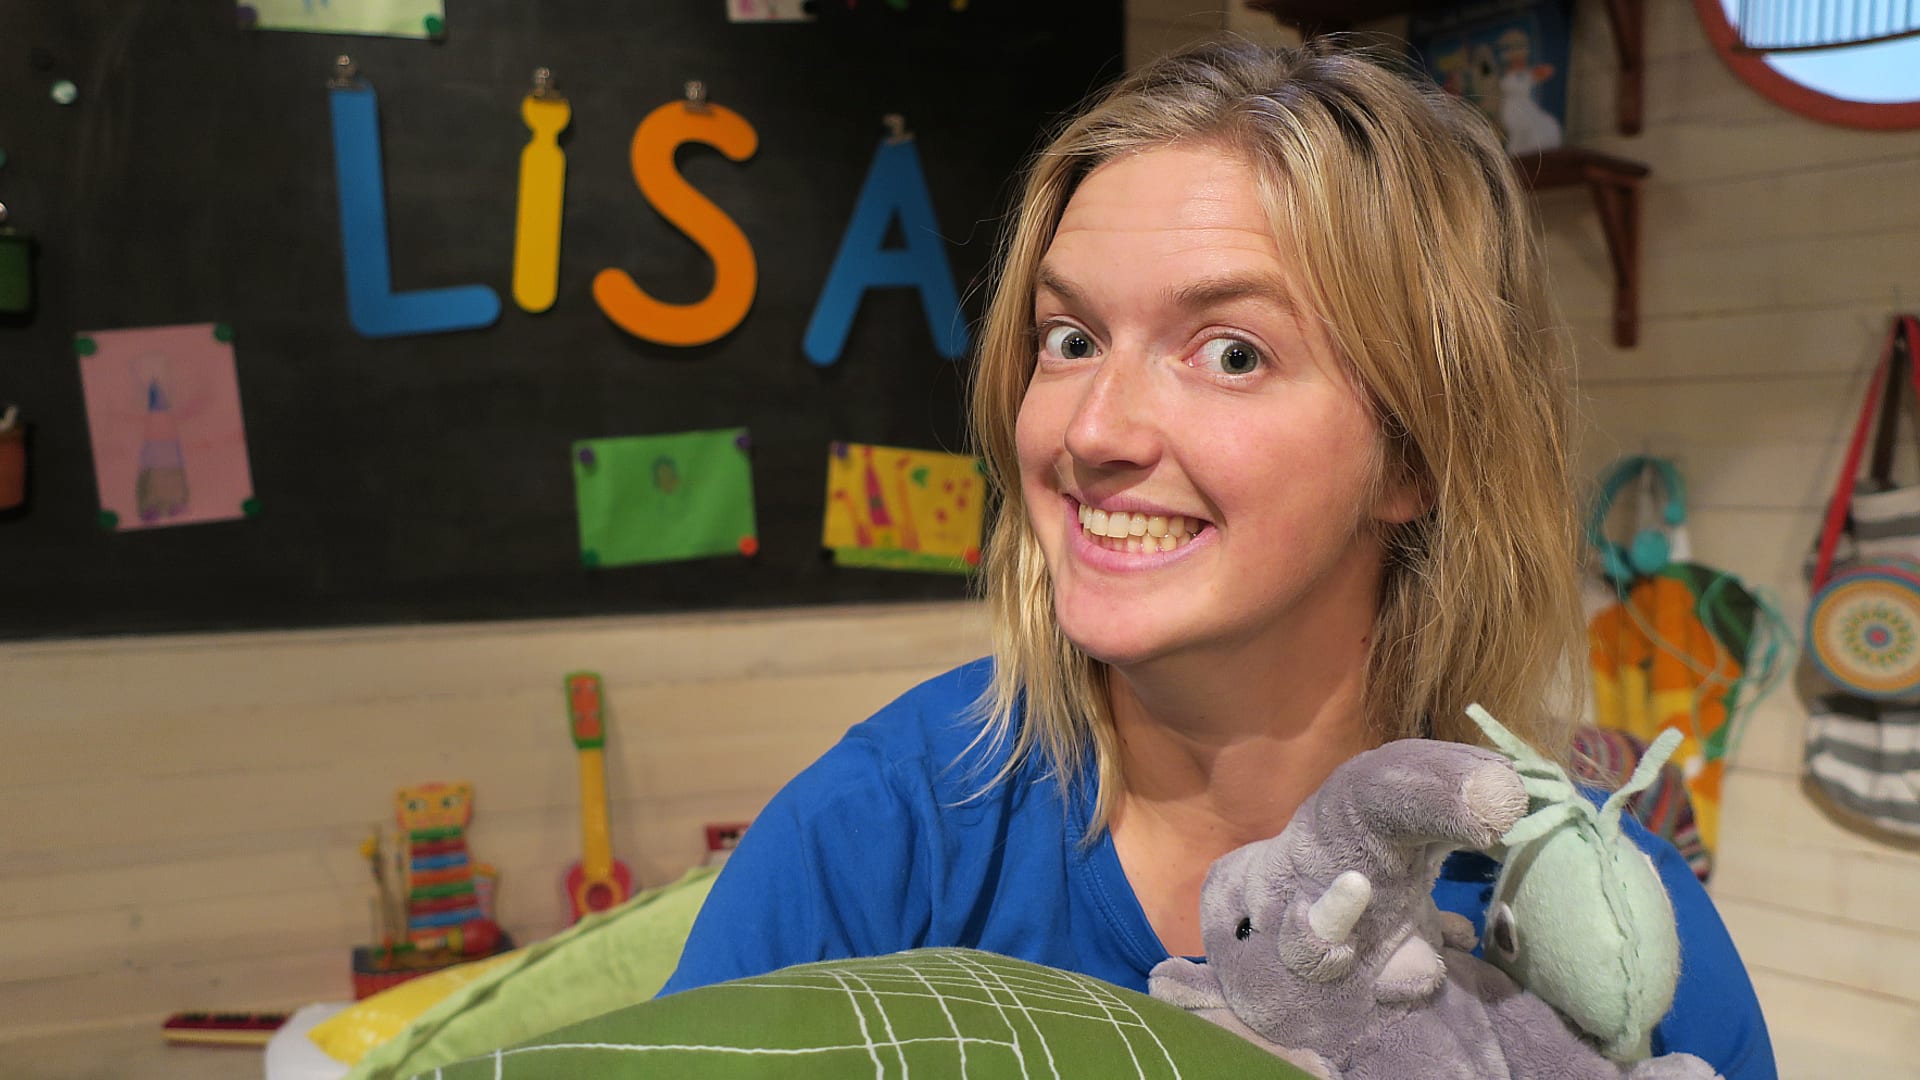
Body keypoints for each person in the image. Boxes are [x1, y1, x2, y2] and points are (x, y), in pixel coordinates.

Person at [661, 39, 1776, 1079]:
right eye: (1069, 339)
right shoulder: (878, 838)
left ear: (1417, 453)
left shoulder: (1599, 925)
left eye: (1231, 354)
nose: (1093, 430)